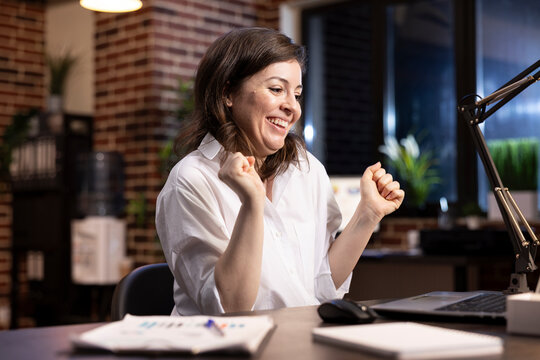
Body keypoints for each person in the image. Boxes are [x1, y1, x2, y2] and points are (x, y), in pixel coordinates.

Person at [155, 27, 404, 316]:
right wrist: (252, 204)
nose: (292, 108)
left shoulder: (305, 168)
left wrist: (367, 214)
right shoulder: (191, 179)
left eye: (296, 94)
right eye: (276, 89)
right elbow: (230, 306)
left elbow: (321, 285)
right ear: (227, 93)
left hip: (300, 341)